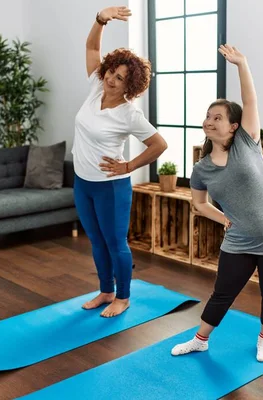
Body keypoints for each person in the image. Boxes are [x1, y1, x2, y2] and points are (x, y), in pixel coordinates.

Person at [170, 44, 263, 362]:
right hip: (240, 240)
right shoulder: (201, 168)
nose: (210, 120)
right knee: (223, 293)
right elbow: (198, 204)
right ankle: (200, 340)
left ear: (233, 127)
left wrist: (241, 64)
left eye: (219, 117)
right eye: (208, 116)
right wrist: (223, 219)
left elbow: (250, 100)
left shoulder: (247, 144)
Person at [72, 5, 168, 318]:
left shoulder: (129, 114)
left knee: (116, 244)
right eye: (112, 72)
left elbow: (159, 144)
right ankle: (105, 290)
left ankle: (123, 297)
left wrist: (128, 166)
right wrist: (100, 18)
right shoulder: (95, 86)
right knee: (96, 242)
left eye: (121, 78)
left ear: (131, 85)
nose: (112, 80)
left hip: (110, 187)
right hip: (83, 182)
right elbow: (91, 46)